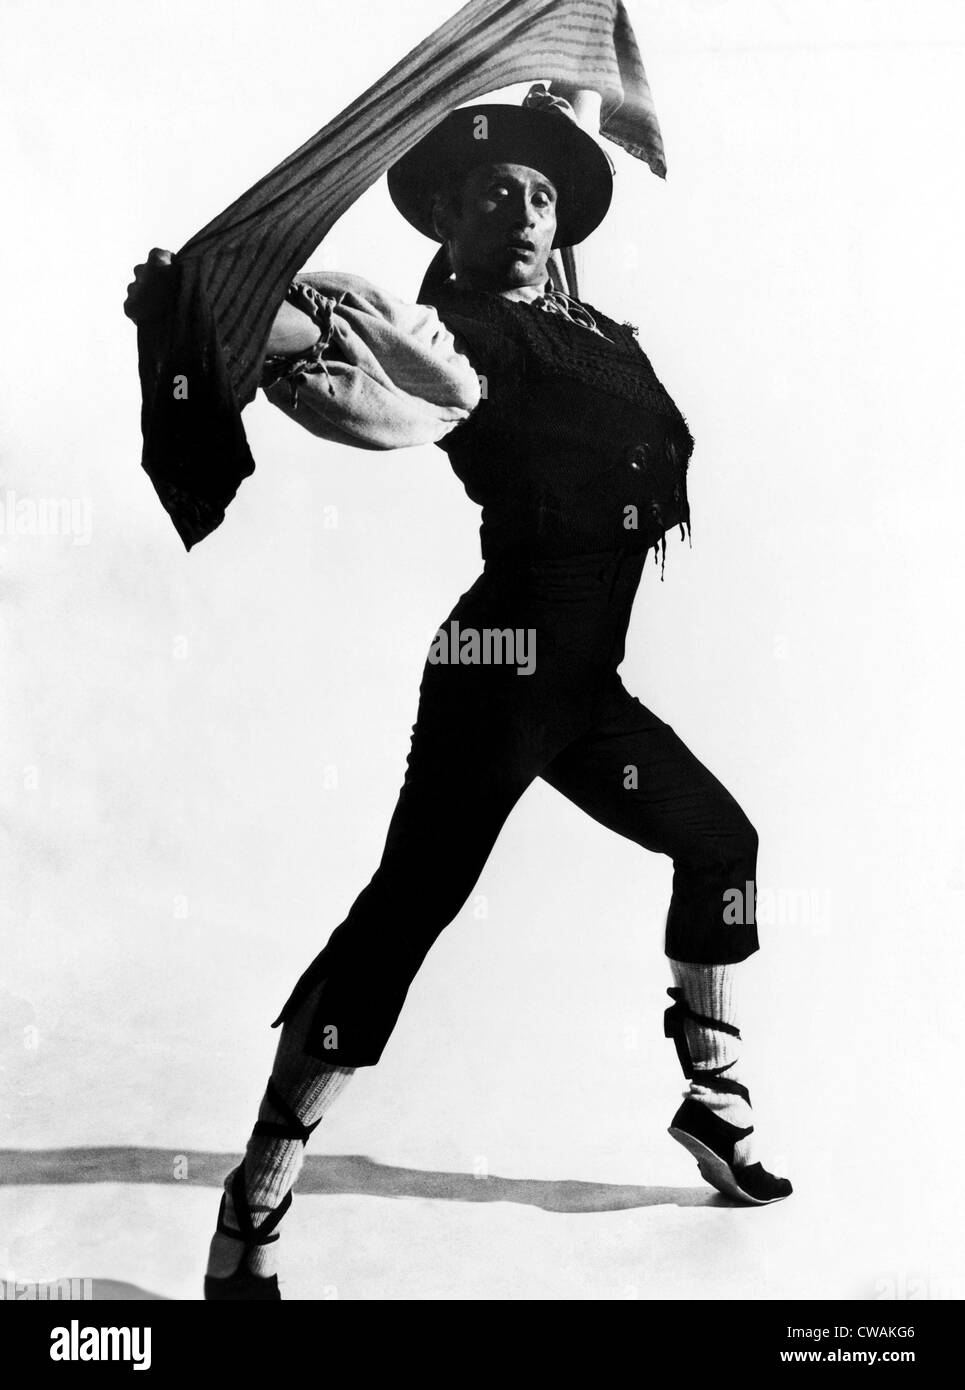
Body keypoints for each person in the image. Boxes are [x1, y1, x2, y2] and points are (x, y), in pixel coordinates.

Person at [125, 91, 791, 1303]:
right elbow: (328, 360)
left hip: (584, 691)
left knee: (721, 845)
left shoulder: (601, 335)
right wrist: (206, 299)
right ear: (444, 213)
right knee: (403, 919)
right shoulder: (448, 336)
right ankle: (254, 1206)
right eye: (494, 192)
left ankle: (713, 1098)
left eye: (541, 195)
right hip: (495, 673)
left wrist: (559, 97)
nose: (523, 210)